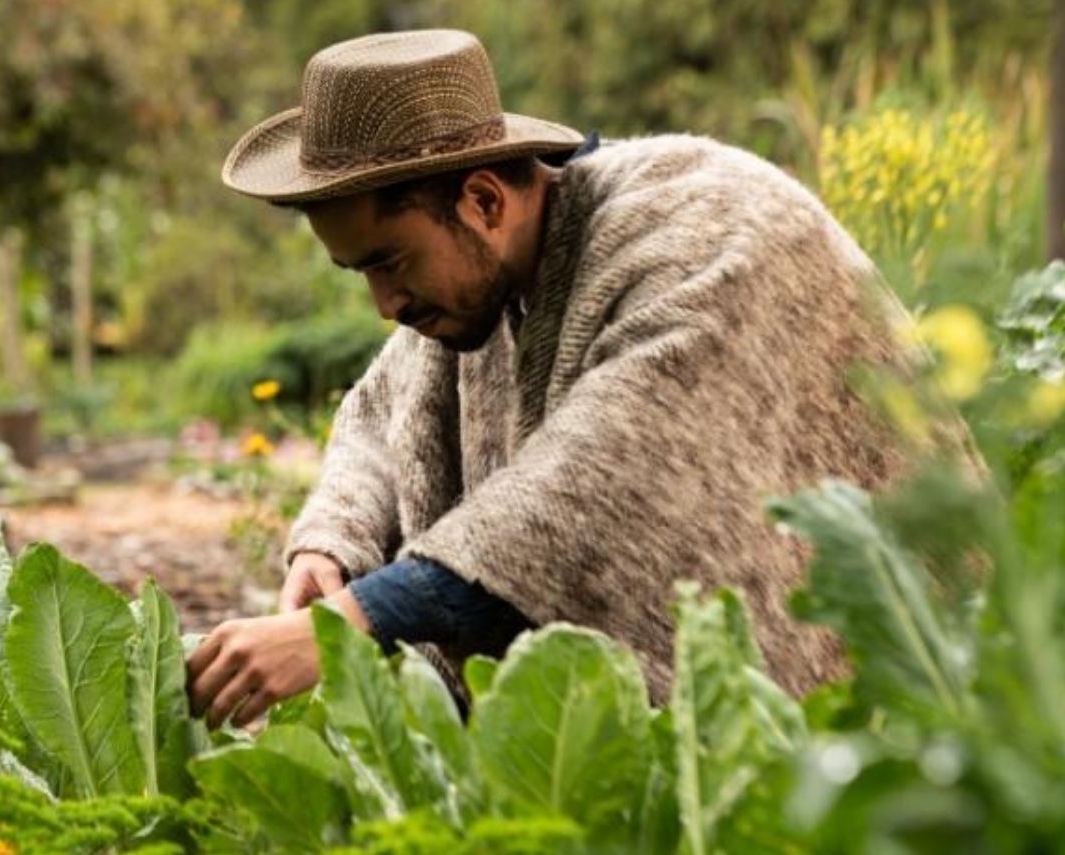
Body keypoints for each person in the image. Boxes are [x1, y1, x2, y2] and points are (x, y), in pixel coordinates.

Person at [185, 28, 964, 730]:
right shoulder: (477, 279)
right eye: (359, 273)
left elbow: (600, 490)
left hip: (909, 696)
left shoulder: (714, 232)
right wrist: (330, 551)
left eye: (390, 263)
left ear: (484, 200)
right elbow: (380, 422)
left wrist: (351, 621)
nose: (384, 305)